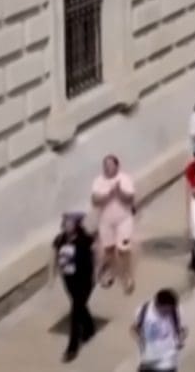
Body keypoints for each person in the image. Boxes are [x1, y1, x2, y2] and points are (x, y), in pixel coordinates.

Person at [52, 212, 96, 362]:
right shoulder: (60, 239)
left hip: (84, 280)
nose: (67, 226)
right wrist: (51, 277)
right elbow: (53, 257)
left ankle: (72, 348)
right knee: (79, 306)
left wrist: (100, 273)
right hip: (69, 280)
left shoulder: (85, 239)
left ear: (77, 225)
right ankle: (89, 327)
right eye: (65, 223)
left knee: (75, 311)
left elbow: (96, 254)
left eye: (70, 223)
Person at [91, 154, 136, 294]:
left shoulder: (124, 179)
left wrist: (119, 192)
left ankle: (127, 276)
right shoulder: (98, 181)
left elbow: (130, 199)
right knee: (109, 249)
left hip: (124, 220)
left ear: (117, 166)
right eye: (105, 165)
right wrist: (109, 194)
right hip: (105, 222)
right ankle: (111, 271)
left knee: (123, 249)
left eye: (110, 165)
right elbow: (95, 200)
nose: (107, 168)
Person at [133, 288, 186, 372]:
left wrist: (180, 340)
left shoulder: (176, 311)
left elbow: (182, 329)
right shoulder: (143, 310)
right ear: (158, 305)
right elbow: (135, 328)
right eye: (166, 310)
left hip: (168, 361)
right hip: (148, 359)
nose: (168, 313)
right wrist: (139, 339)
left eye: (170, 310)